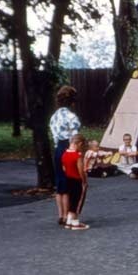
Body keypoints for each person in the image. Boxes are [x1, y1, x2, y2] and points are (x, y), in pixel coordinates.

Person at [49, 85, 81, 226]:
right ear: (72, 101)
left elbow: (55, 137)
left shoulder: (53, 117)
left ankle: (60, 215)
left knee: (60, 182)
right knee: (71, 182)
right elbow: (75, 138)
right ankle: (69, 215)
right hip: (68, 148)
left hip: (57, 149)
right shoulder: (71, 117)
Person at [61, 133, 89, 230]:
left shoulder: (64, 154)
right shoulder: (77, 155)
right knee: (77, 201)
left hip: (68, 178)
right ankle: (75, 223)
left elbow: (64, 168)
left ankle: (69, 222)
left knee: (71, 199)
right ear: (80, 144)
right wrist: (84, 181)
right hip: (77, 179)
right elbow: (81, 170)